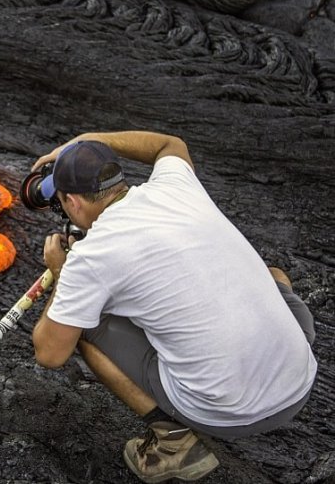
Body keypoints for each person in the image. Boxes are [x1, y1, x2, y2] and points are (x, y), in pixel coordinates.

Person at [29, 130, 317, 483]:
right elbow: (171, 144)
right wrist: (89, 139)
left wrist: (61, 272)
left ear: (72, 203)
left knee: (82, 327)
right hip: (300, 372)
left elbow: (50, 353)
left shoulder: (91, 257)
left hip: (234, 413)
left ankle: (174, 444)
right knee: (271, 274)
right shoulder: (175, 185)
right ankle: (267, 347)